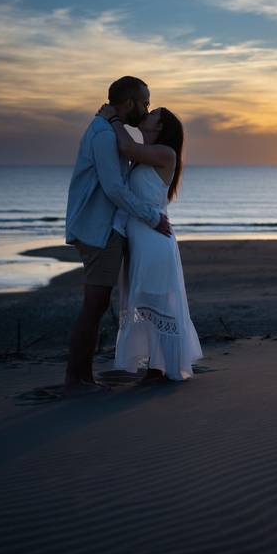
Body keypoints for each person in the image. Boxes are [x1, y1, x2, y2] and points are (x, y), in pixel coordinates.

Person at [64, 76, 171, 396]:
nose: (147, 108)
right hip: (99, 231)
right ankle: (76, 381)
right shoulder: (102, 134)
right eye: (145, 102)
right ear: (129, 103)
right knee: (94, 306)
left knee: (96, 306)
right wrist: (152, 217)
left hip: (105, 229)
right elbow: (113, 188)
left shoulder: (108, 128)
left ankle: (82, 378)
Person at [98, 104, 203, 383]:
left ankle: (165, 369)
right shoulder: (144, 159)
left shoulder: (164, 154)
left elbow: (127, 147)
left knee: (157, 302)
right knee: (144, 302)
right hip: (140, 239)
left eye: (154, 112)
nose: (148, 113)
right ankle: (155, 368)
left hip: (154, 240)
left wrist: (114, 118)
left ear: (160, 127)